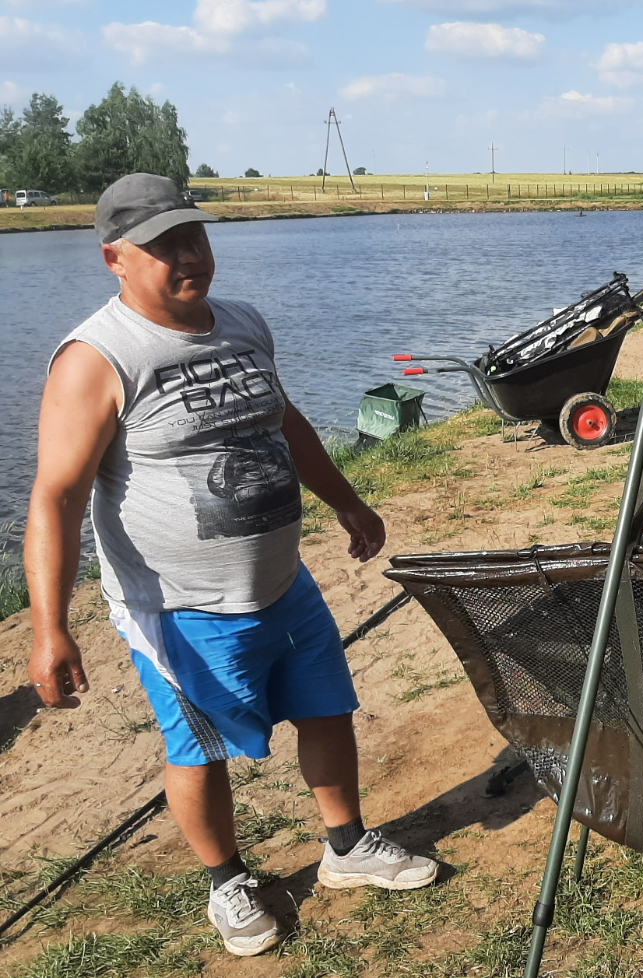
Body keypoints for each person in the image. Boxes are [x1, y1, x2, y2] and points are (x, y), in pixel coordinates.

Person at [24, 173, 439, 958]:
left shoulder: (244, 323)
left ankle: (346, 847)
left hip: (282, 581)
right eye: (163, 246)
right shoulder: (97, 357)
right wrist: (49, 628)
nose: (189, 256)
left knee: (326, 710)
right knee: (198, 747)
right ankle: (227, 880)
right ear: (115, 257)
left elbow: (286, 422)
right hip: (180, 605)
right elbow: (55, 498)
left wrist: (348, 502)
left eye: (196, 236)